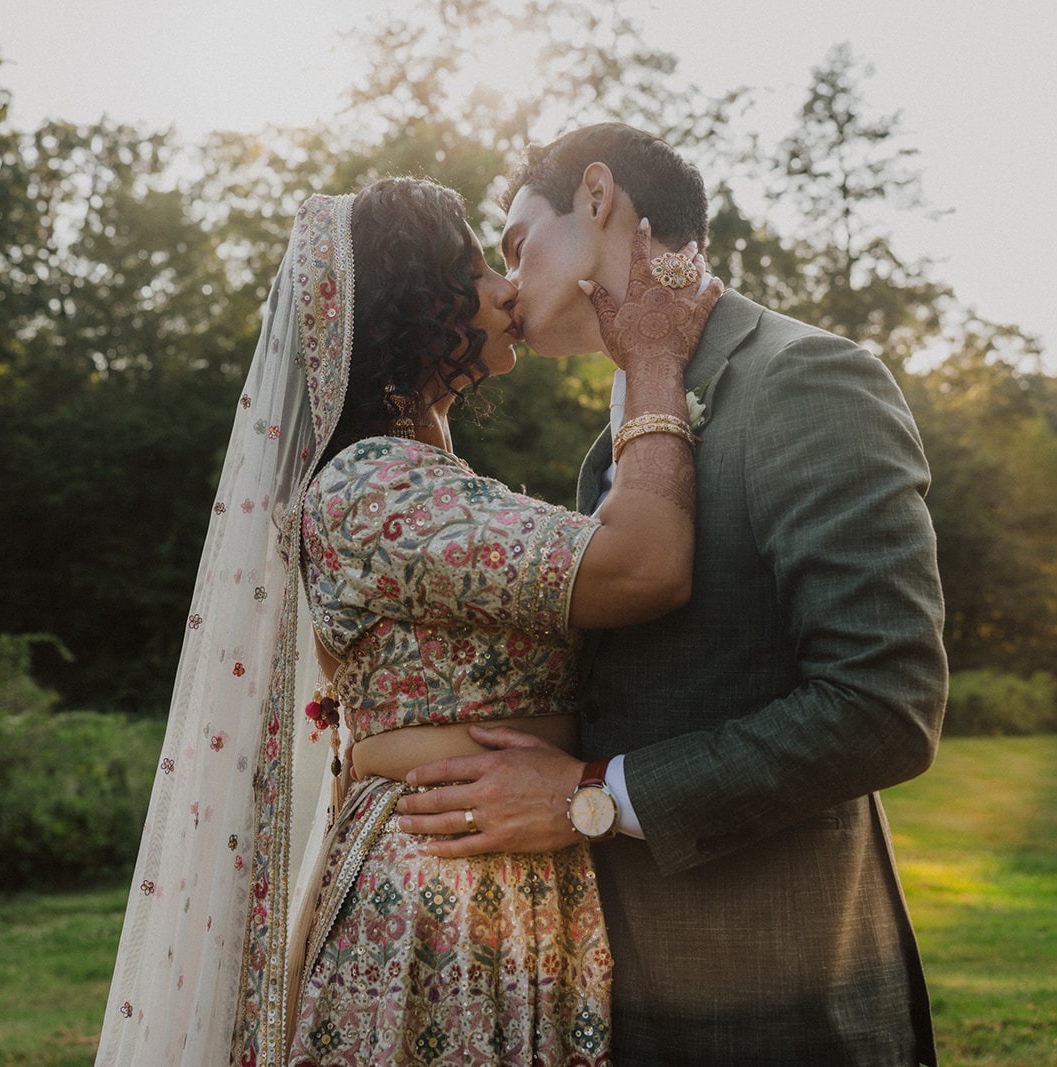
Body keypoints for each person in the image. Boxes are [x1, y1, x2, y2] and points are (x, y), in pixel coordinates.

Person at [94, 176, 720, 1065]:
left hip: (506, 866)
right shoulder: (371, 486)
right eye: (475, 273)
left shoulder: (429, 479)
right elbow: (644, 566)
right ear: (409, 306)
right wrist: (654, 362)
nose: (507, 290)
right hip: (440, 893)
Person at [397, 123, 949, 1065]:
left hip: (778, 997)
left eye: (518, 245)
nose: (504, 284)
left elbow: (883, 704)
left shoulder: (806, 380)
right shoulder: (608, 455)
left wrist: (587, 796)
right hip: (617, 995)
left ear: (598, 198)